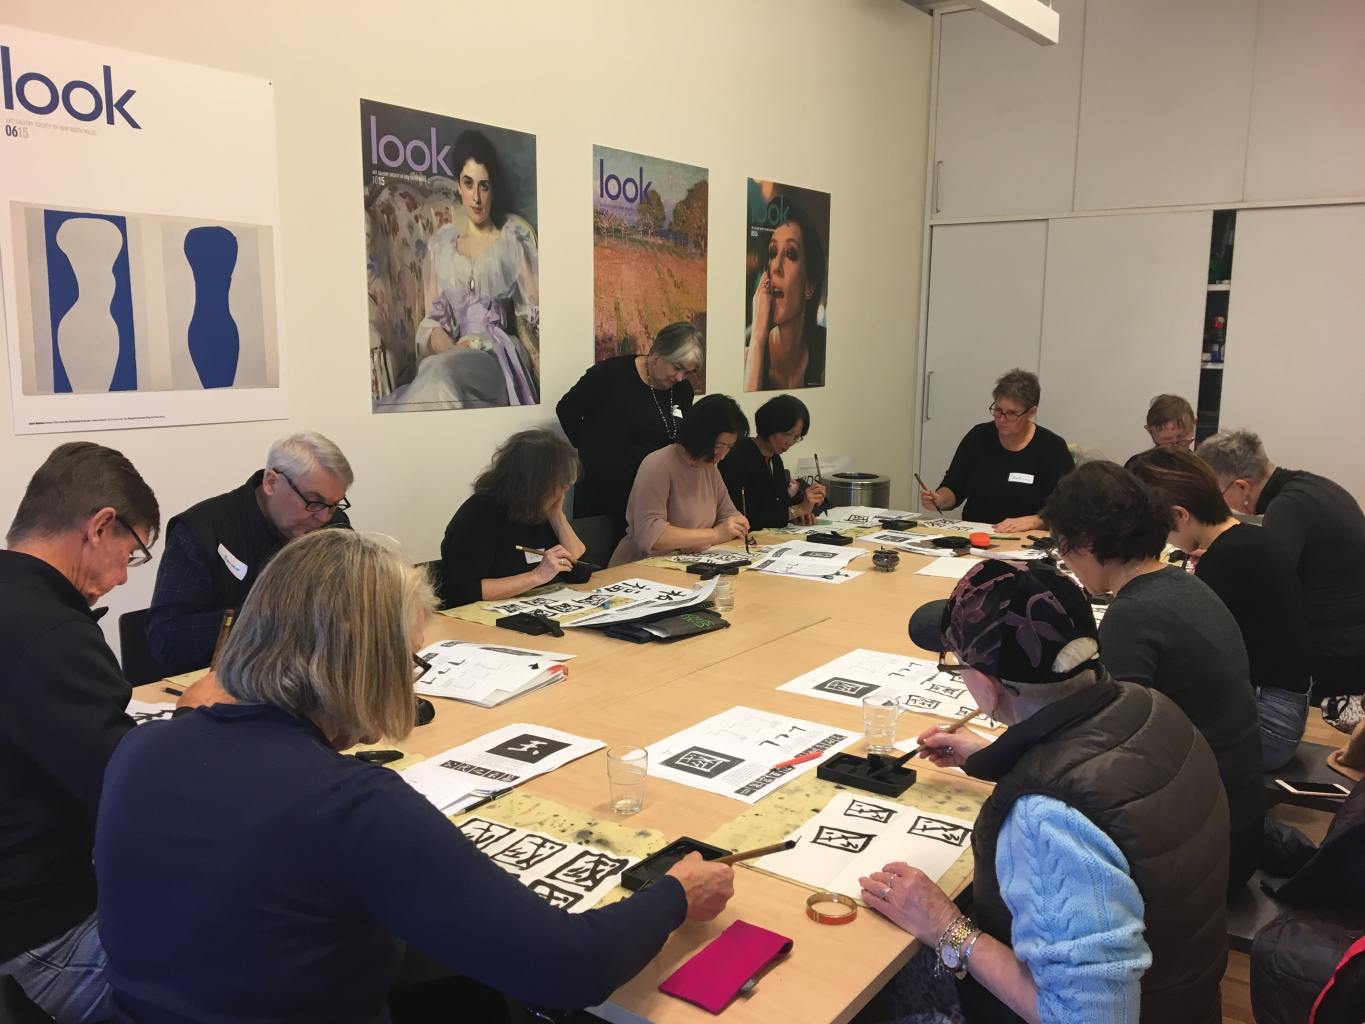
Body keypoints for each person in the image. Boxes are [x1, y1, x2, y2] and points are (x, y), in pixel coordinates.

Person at [95, 530, 734, 1021]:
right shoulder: (350, 806)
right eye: (407, 661)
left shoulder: (140, 750)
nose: (408, 682)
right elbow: (568, 970)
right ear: (361, 661)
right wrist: (677, 894)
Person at [860, 559, 1228, 1024]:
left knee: (875, 974)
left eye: (959, 665)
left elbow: (1087, 1018)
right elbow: (1100, 781)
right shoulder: (1149, 706)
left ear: (989, 689)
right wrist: (994, 755)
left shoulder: (1046, 817)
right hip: (1187, 997)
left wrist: (946, 927)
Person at [1043, 460, 1263, 892]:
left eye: (1064, 550)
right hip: (1239, 819)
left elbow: (1104, 753)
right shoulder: (1180, 584)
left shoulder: (1134, 614)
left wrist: (1004, 753)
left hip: (1206, 848)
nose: (1067, 563)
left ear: (1086, 543)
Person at [0, 442, 159, 1022]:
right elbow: (132, 790)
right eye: (132, 554)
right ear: (100, 526)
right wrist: (197, 724)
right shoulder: (49, 630)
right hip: (43, 930)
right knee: (240, 960)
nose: (121, 579)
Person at [1129, 446, 1312, 768]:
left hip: (1268, 729)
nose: (1162, 539)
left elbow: (1191, 658)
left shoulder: (1228, 559)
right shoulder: (1246, 541)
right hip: (1282, 712)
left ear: (1180, 515)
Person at [146, 431, 353, 678]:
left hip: (311, 679)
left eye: (334, 504)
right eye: (313, 501)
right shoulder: (202, 530)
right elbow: (167, 638)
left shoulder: (332, 526)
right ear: (271, 483)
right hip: (221, 684)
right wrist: (264, 617)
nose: (324, 517)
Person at [1198, 430, 1365, 729]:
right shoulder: (1314, 486)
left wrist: (1217, 562)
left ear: (1241, 486)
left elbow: (1264, 585)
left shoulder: (1287, 507)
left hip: (1333, 656)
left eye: (1217, 495)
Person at [378, 130, 539, 410]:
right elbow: (433, 323)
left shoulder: (512, 240)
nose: (476, 197)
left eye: (484, 186)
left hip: (497, 358)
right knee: (438, 375)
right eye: (468, 183)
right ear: (458, 186)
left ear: (493, 189)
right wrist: (452, 350)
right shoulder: (443, 245)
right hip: (455, 356)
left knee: (443, 378)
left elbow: (538, 308)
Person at [556, 322, 702, 536]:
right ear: (657, 353)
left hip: (654, 495)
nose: (679, 378)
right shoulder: (610, 375)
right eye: (677, 367)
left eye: (687, 372)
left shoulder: (682, 390)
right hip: (605, 491)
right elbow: (567, 409)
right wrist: (590, 450)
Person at [438, 429, 589, 607]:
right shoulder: (479, 513)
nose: (566, 487)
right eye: (559, 481)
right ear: (534, 481)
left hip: (530, 607)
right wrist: (537, 576)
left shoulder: (540, 510)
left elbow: (579, 570)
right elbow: (464, 591)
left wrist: (557, 515)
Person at [920, 369, 1073, 533]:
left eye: (1011, 413)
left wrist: (1035, 521)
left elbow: (1068, 510)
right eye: (998, 410)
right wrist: (940, 500)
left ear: (1032, 412)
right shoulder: (978, 437)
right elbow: (954, 486)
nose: (1001, 419)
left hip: (1026, 540)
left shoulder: (1052, 448)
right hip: (978, 536)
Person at [609, 394, 751, 566]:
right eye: (718, 446)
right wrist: (714, 535)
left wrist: (735, 525)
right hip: (642, 567)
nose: (722, 455)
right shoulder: (658, 464)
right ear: (700, 436)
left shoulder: (710, 468)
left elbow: (728, 515)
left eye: (729, 447)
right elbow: (650, 535)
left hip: (686, 563)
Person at [745, 197, 827, 391]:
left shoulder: (825, 352)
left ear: (808, 286)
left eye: (791, 254)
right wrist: (757, 338)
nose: (776, 267)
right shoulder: (746, 354)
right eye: (772, 252)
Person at [718, 394, 826, 529]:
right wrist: (797, 510)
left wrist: (797, 515)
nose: (790, 442)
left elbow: (777, 506)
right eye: (787, 434)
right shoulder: (737, 456)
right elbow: (747, 516)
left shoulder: (775, 460)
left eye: (796, 437)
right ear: (770, 426)